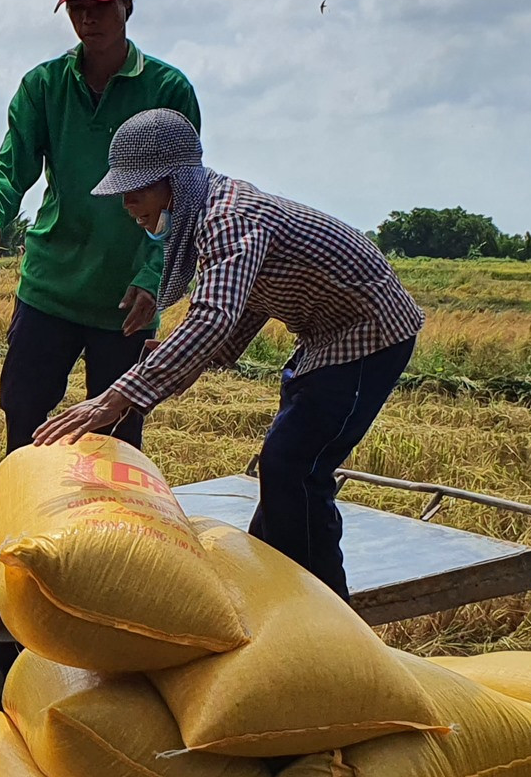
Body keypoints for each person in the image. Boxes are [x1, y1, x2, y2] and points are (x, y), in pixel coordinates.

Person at [35, 108, 424, 600]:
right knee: (284, 465)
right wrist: (199, 356)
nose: (128, 202)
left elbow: (214, 315)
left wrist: (116, 399)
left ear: (175, 180)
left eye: (138, 187)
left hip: (367, 333)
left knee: (296, 468)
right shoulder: (213, 213)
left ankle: (327, 612)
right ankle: (272, 585)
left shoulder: (228, 217)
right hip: (324, 336)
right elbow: (247, 303)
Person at [0, 0, 201, 454]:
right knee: (24, 408)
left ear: (128, 1)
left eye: (99, 5)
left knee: (118, 430)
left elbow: (184, 198)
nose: (87, 19)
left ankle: (109, 529)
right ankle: (31, 522)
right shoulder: (44, 86)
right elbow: (13, 165)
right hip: (51, 284)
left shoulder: (167, 89)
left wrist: (152, 278)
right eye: (76, 9)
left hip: (128, 297)